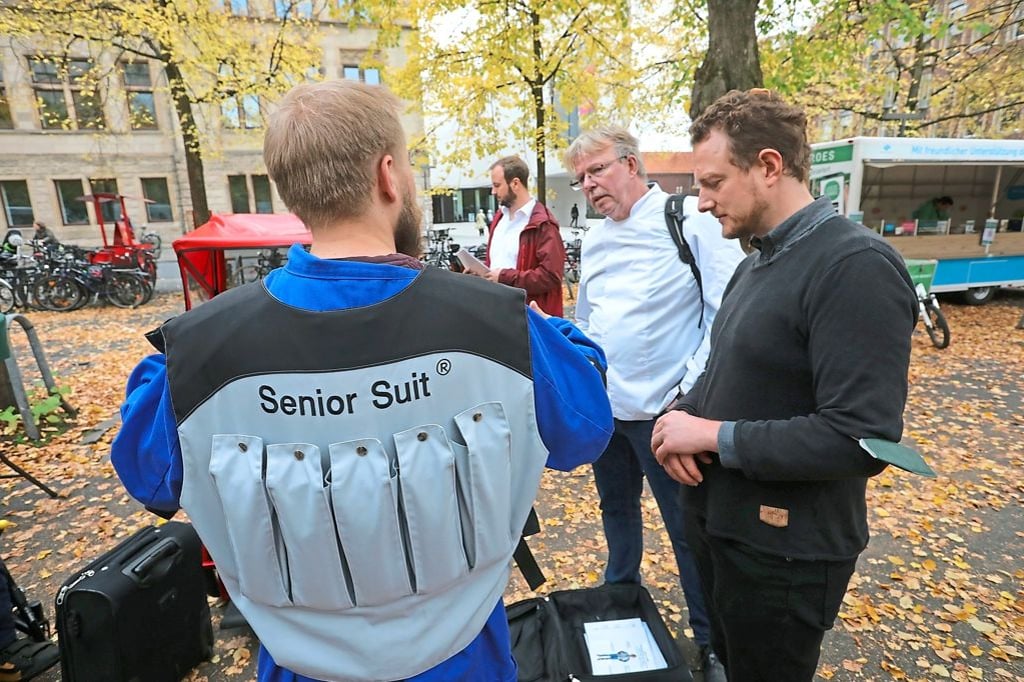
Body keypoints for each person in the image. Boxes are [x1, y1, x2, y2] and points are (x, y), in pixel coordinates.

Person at [110, 80, 614, 682]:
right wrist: (543, 331)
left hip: (299, 667)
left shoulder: (193, 353)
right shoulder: (500, 326)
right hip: (466, 660)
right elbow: (584, 430)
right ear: (387, 176)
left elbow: (148, 473)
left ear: (289, 190)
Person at [651, 89, 917, 681]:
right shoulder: (755, 264)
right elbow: (731, 371)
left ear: (769, 166)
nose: (701, 202)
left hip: (784, 557)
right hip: (726, 533)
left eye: (714, 182)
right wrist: (680, 416)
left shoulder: (855, 266)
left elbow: (860, 437)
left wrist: (714, 435)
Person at [564, 124, 745, 682]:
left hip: (670, 418)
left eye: (597, 170)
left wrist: (686, 397)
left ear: (632, 164)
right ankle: (621, 600)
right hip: (609, 415)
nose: (589, 185)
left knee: (689, 532)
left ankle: (711, 642)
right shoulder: (594, 238)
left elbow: (725, 313)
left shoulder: (687, 220)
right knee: (616, 511)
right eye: (580, 179)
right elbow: (587, 320)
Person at [481, 155, 565, 316]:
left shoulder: (543, 224)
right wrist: (481, 273)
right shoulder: (500, 218)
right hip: (497, 311)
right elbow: (496, 263)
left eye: (497, 185)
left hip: (528, 318)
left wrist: (504, 277)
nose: (493, 191)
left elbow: (550, 276)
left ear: (515, 183)